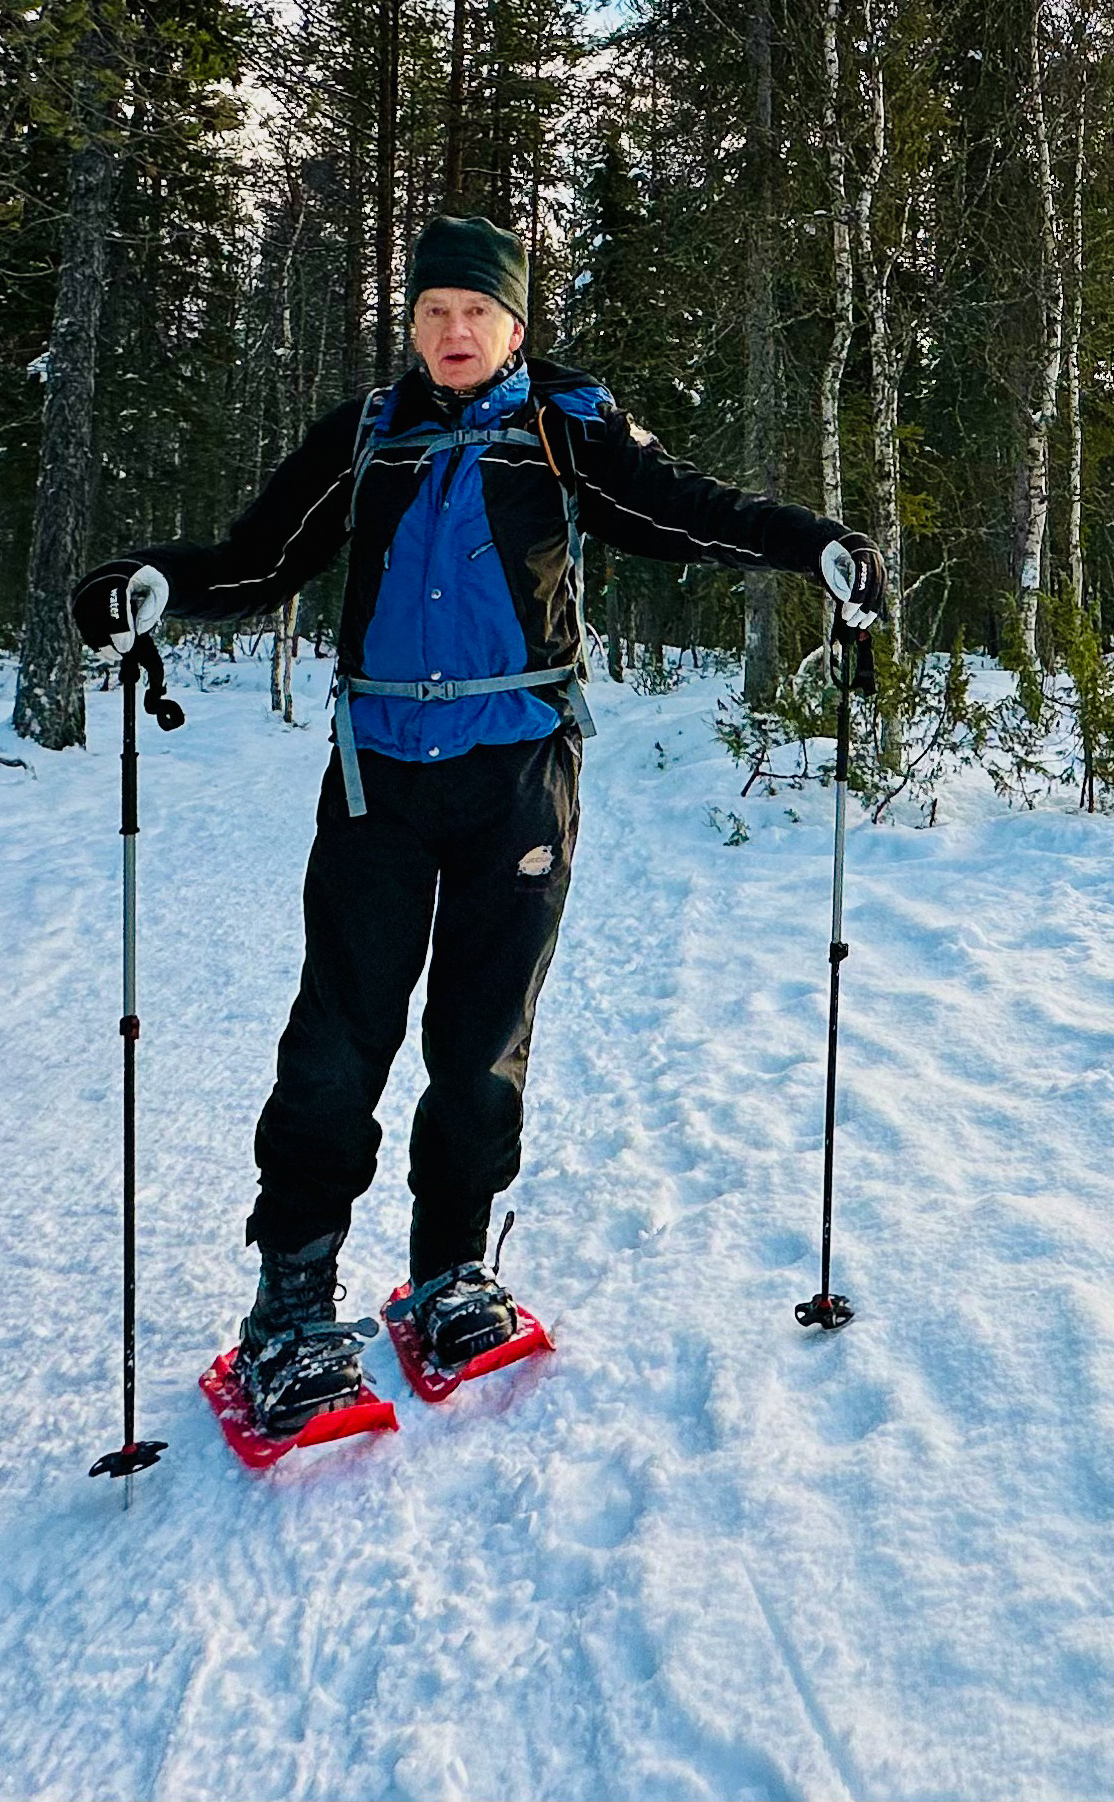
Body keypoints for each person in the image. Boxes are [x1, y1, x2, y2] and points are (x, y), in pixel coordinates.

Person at [73, 212, 881, 1438]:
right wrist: (151, 582)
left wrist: (812, 544)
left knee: (482, 1036)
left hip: (518, 779)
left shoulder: (565, 428)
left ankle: (450, 1266)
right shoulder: (365, 436)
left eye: (478, 313)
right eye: (433, 312)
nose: (455, 332)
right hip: (378, 780)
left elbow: (684, 511)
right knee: (340, 1036)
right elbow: (258, 560)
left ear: (516, 325)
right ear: (410, 323)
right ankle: (291, 1306)